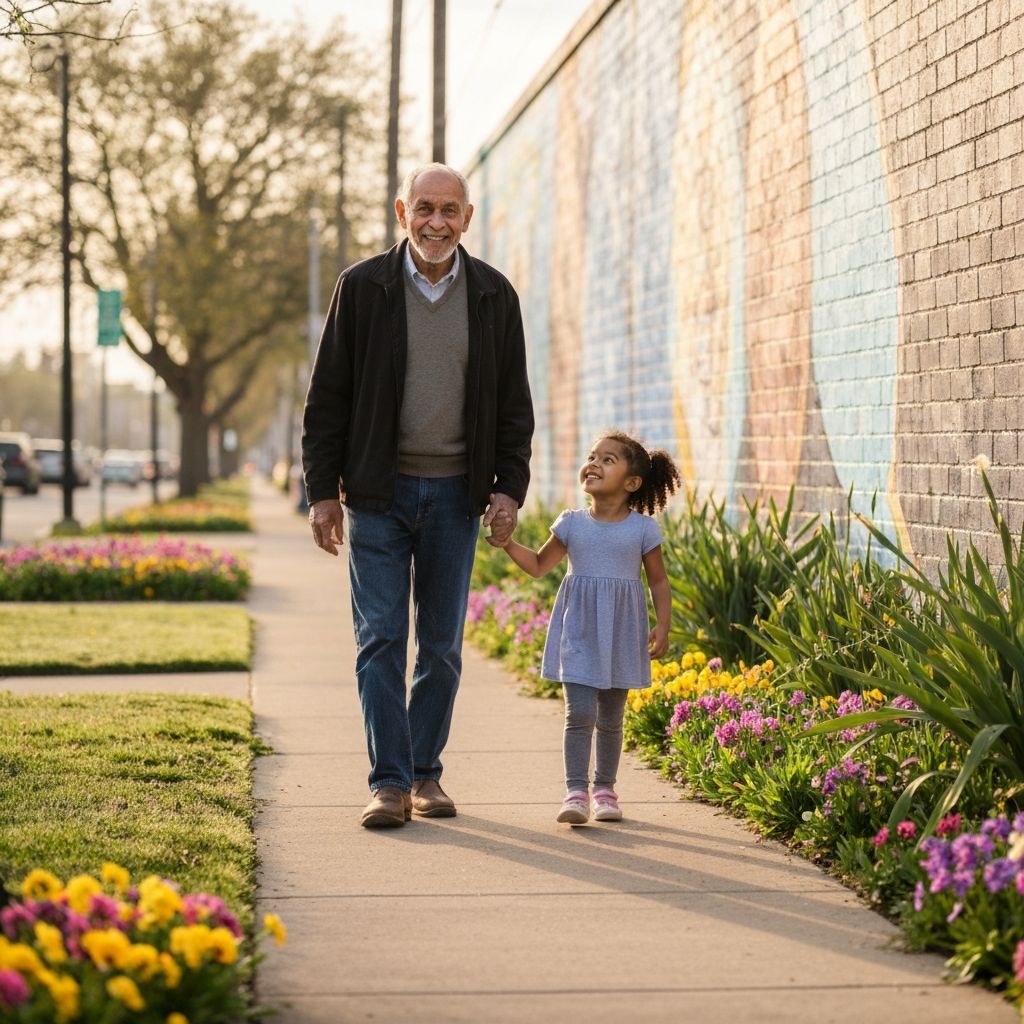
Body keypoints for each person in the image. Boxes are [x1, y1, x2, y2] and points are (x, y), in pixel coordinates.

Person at [302, 162, 534, 829]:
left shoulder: (494, 295)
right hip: (378, 493)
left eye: (449, 210)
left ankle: (426, 773)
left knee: (440, 644)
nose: (437, 223)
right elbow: (328, 401)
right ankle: (389, 783)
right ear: (402, 213)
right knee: (379, 638)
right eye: (424, 209)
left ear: (467, 217)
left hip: (455, 497)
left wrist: (507, 490)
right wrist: (323, 494)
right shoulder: (363, 288)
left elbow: (515, 409)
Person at [494, 431, 679, 824]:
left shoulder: (643, 530)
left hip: (621, 633)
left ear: (631, 483)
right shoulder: (572, 523)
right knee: (579, 713)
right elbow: (540, 565)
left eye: (608, 460)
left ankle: (605, 791)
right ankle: (575, 791)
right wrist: (509, 543)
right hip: (578, 630)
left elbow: (659, 581)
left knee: (611, 718)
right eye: (593, 456)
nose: (594, 463)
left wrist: (663, 625)